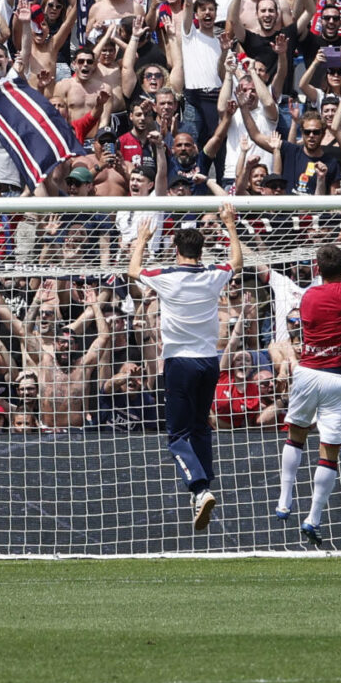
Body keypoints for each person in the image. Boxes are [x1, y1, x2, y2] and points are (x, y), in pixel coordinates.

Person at [126, 212, 234, 531]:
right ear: (202, 251)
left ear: (175, 249)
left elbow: (133, 270)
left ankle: (199, 490)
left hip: (178, 362)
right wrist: (229, 224)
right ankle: (205, 489)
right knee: (201, 426)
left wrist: (143, 240)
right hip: (209, 361)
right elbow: (237, 260)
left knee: (176, 435)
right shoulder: (214, 275)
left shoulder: (167, 276)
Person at [276, 226, 341, 550]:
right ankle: (314, 518)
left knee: (296, 434)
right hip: (339, 378)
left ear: (317, 269)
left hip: (308, 373)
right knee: (329, 452)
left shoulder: (308, 297)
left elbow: (322, 329)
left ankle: (284, 499)